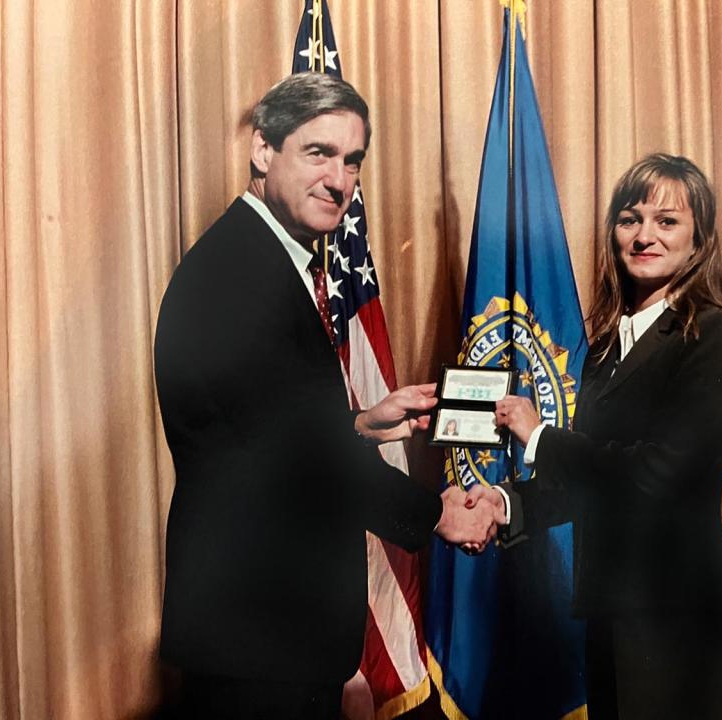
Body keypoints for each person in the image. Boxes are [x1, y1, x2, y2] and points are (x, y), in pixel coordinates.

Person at [154, 73, 500, 719]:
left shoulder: (263, 259)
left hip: (273, 635)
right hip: (256, 639)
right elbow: (303, 463)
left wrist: (360, 424)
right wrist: (437, 515)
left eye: (353, 161)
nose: (340, 181)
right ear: (263, 150)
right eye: (319, 153)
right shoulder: (238, 272)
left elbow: (267, 437)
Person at [470, 154, 722, 719]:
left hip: (677, 613)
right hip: (611, 606)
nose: (645, 235)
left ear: (700, 240)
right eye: (630, 219)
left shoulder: (718, 335)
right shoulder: (604, 349)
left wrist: (540, 439)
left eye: (667, 221)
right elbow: (593, 481)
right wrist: (503, 505)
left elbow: (657, 474)